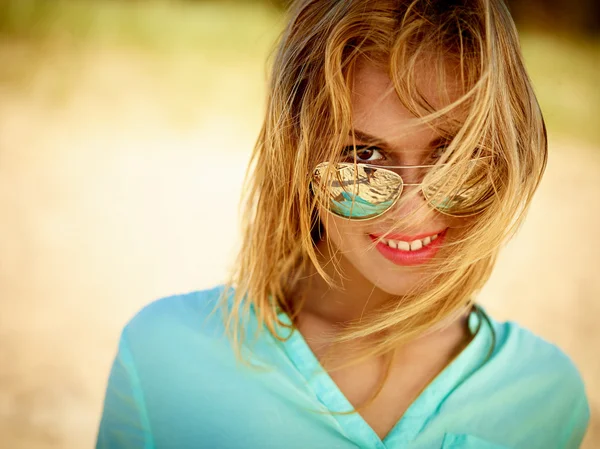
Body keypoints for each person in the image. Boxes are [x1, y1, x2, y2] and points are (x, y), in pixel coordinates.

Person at [95, 0, 591, 448]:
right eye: (363, 156)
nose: (414, 210)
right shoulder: (166, 359)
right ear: (297, 158)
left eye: (455, 157)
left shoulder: (547, 396)